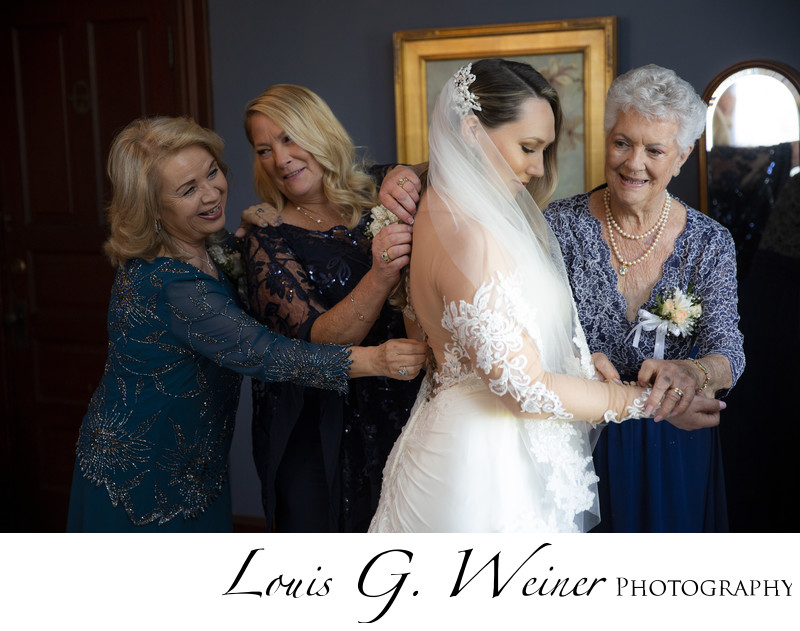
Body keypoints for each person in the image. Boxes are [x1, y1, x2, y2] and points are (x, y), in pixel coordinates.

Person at [383, 64, 743, 533]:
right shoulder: (553, 223)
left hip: (669, 435)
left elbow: (727, 346)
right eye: (622, 143)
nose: (634, 163)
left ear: (682, 156)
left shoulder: (708, 241)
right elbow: (510, 357)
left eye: (654, 150)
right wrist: (407, 173)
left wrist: (694, 372)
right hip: (569, 437)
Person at [66, 116, 426, 533]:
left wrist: (399, 174)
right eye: (188, 190)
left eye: (212, 173)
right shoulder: (170, 283)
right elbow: (263, 352)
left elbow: (233, 268)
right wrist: (376, 360)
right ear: (151, 207)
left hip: (194, 458)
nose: (211, 193)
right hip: (143, 471)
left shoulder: (205, 245)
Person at [240, 85, 422, 532]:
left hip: (400, 397)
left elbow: (448, 166)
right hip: (316, 422)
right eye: (265, 149)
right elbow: (321, 337)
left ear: (319, 132)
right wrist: (380, 273)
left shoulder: (379, 189)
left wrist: (409, 171)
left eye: (289, 138)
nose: (280, 159)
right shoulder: (267, 236)